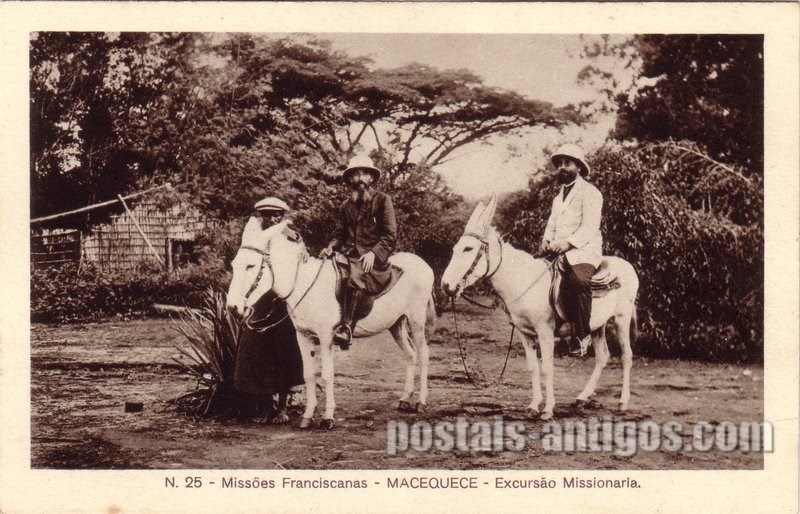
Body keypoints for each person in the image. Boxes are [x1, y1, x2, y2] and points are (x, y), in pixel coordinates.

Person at [232, 196, 304, 422]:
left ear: (283, 216)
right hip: (258, 301)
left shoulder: (292, 237)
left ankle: (282, 407)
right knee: (255, 351)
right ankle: (262, 406)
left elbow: (301, 264)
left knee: (285, 352)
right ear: (260, 216)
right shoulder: (254, 236)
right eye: (267, 214)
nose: (272, 219)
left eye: (277, 215)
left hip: (283, 299)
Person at [321, 155, 397, 349]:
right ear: (350, 181)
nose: (360, 178)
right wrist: (331, 247)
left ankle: (346, 327)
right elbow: (339, 234)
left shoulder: (382, 201)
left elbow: (390, 235)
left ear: (371, 178)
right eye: (355, 175)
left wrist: (373, 253)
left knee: (356, 275)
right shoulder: (345, 206)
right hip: (349, 254)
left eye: (364, 174)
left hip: (374, 259)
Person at [540, 144, 603, 356]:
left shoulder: (591, 193)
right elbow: (552, 223)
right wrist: (547, 239)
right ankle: (546, 329)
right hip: (559, 251)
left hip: (584, 250)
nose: (563, 167)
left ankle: (582, 337)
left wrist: (567, 243)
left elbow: (590, 227)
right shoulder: (558, 198)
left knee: (579, 281)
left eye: (568, 163)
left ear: (579, 167)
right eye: (560, 164)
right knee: (536, 278)